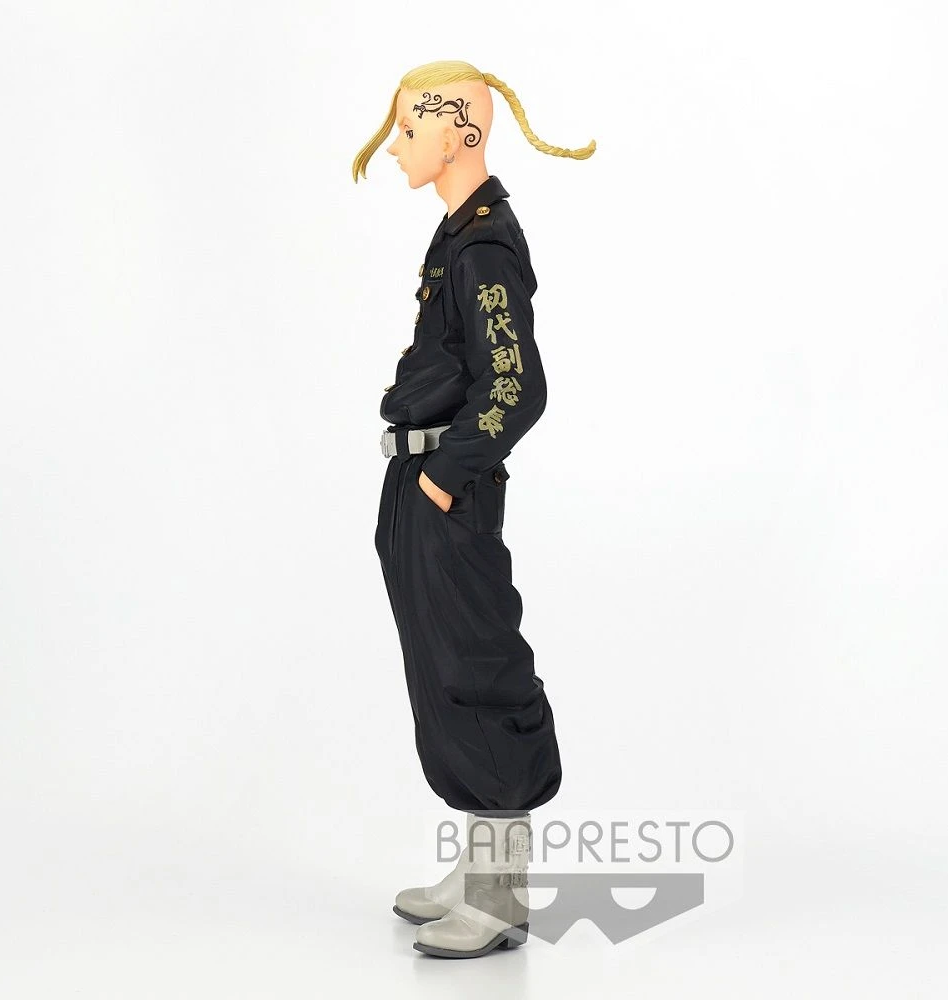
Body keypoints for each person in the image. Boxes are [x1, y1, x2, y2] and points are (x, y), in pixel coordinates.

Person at [352, 59, 595, 959]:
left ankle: (502, 896)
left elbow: (516, 386)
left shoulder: (485, 246)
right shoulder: (457, 233)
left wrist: (445, 476)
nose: (396, 146)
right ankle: (479, 869)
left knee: (476, 669)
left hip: (448, 491)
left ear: (462, 133)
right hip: (420, 487)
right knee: (439, 672)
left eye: (409, 129)